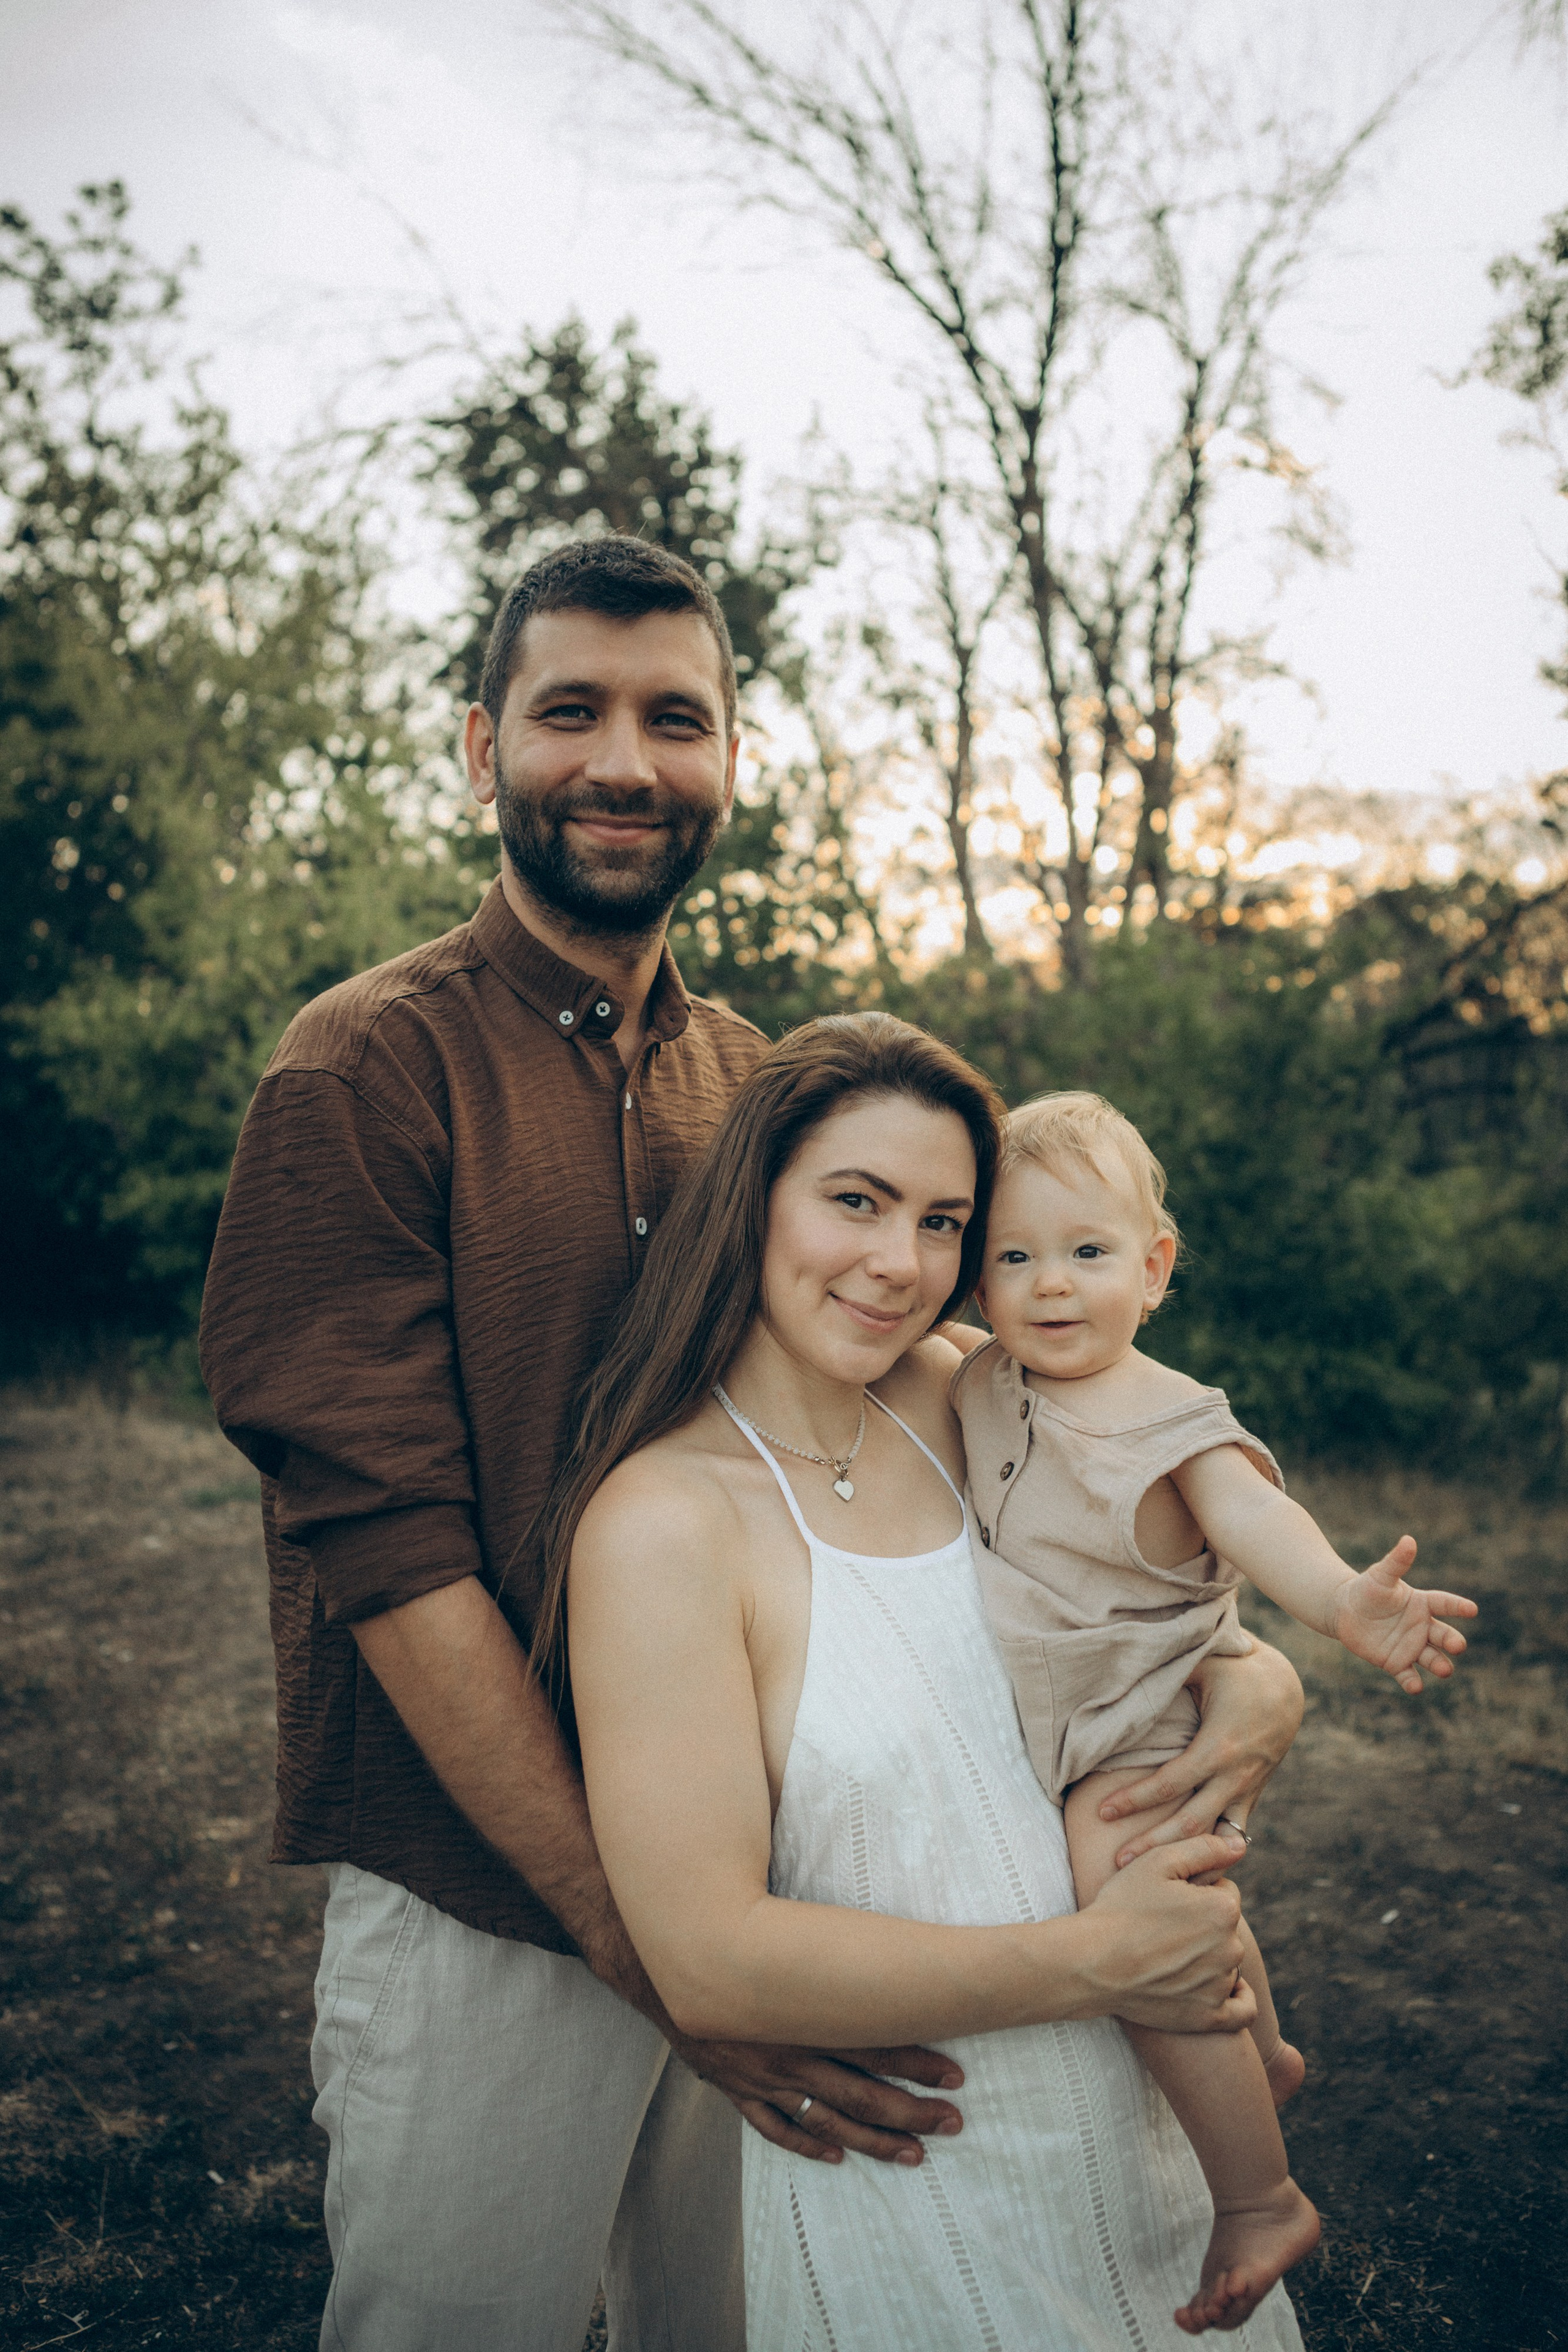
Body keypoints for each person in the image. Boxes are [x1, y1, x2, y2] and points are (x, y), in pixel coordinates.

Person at [200, 537, 975, 2352]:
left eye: (674, 718)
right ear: (482, 748)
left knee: (731, 2327)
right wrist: (647, 1947)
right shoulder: (363, 1073)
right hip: (491, 1901)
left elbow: (898, 1419)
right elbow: (390, 1555)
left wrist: (1228, 1655)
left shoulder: (766, 1088)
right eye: (571, 710)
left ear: (731, 760)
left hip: (758, 1871)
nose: (625, 759)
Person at [556, 1011, 1311, 2347]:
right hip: (918, 2168)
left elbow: (1127, 1585)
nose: (898, 1263)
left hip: (1148, 2122)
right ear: (752, 1199)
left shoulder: (976, 1392)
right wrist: (1089, 1961)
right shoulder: (661, 1525)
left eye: (944, 1222)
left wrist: (1254, 1674)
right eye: (855, 1201)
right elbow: (710, 1960)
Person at [951, 1089, 1478, 2333]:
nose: (1048, 1286)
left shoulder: (1171, 1421)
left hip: (1137, 1726)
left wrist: (1341, 1603)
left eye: (1085, 1252)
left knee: (1128, 1890)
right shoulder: (979, 1377)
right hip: (1059, 1716)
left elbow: (1256, 1524)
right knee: (1191, 1906)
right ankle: (1271, 2055)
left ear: (1154, 1264)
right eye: (1011, 1258)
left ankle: (1255, 2197)